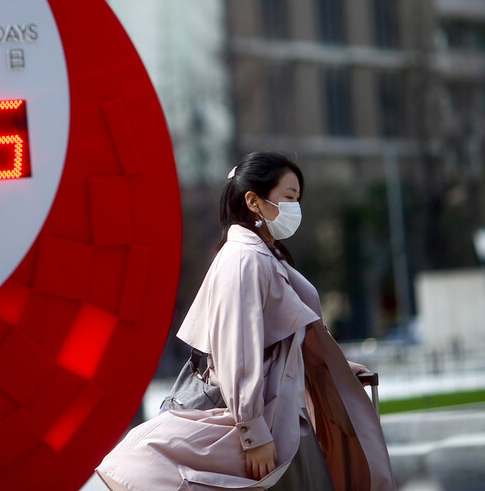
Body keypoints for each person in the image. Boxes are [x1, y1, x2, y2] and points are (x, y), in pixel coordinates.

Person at [97, 152, 395, 490]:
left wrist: (338, 368)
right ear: (253, 201)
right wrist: (253, 433)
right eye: (289, 197)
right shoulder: (246, 259)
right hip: (265, 423)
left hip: (279, 416)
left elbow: (279, 342)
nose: (295, 208)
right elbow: (238, 351)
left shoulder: (259, 255)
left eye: (297, 199)